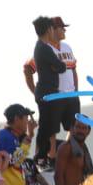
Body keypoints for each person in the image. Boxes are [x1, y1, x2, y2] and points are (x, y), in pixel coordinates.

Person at [29, 16, 72, 165]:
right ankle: (43, 157)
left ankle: (44, 156)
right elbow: (61, 66)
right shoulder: (44, 48)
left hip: (49, 93)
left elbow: (58, 66)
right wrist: (58, 65)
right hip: (47, 93)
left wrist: (57, 66)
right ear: (49, 30)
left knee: (48, 126)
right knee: (47, 128)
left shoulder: (41, 47)